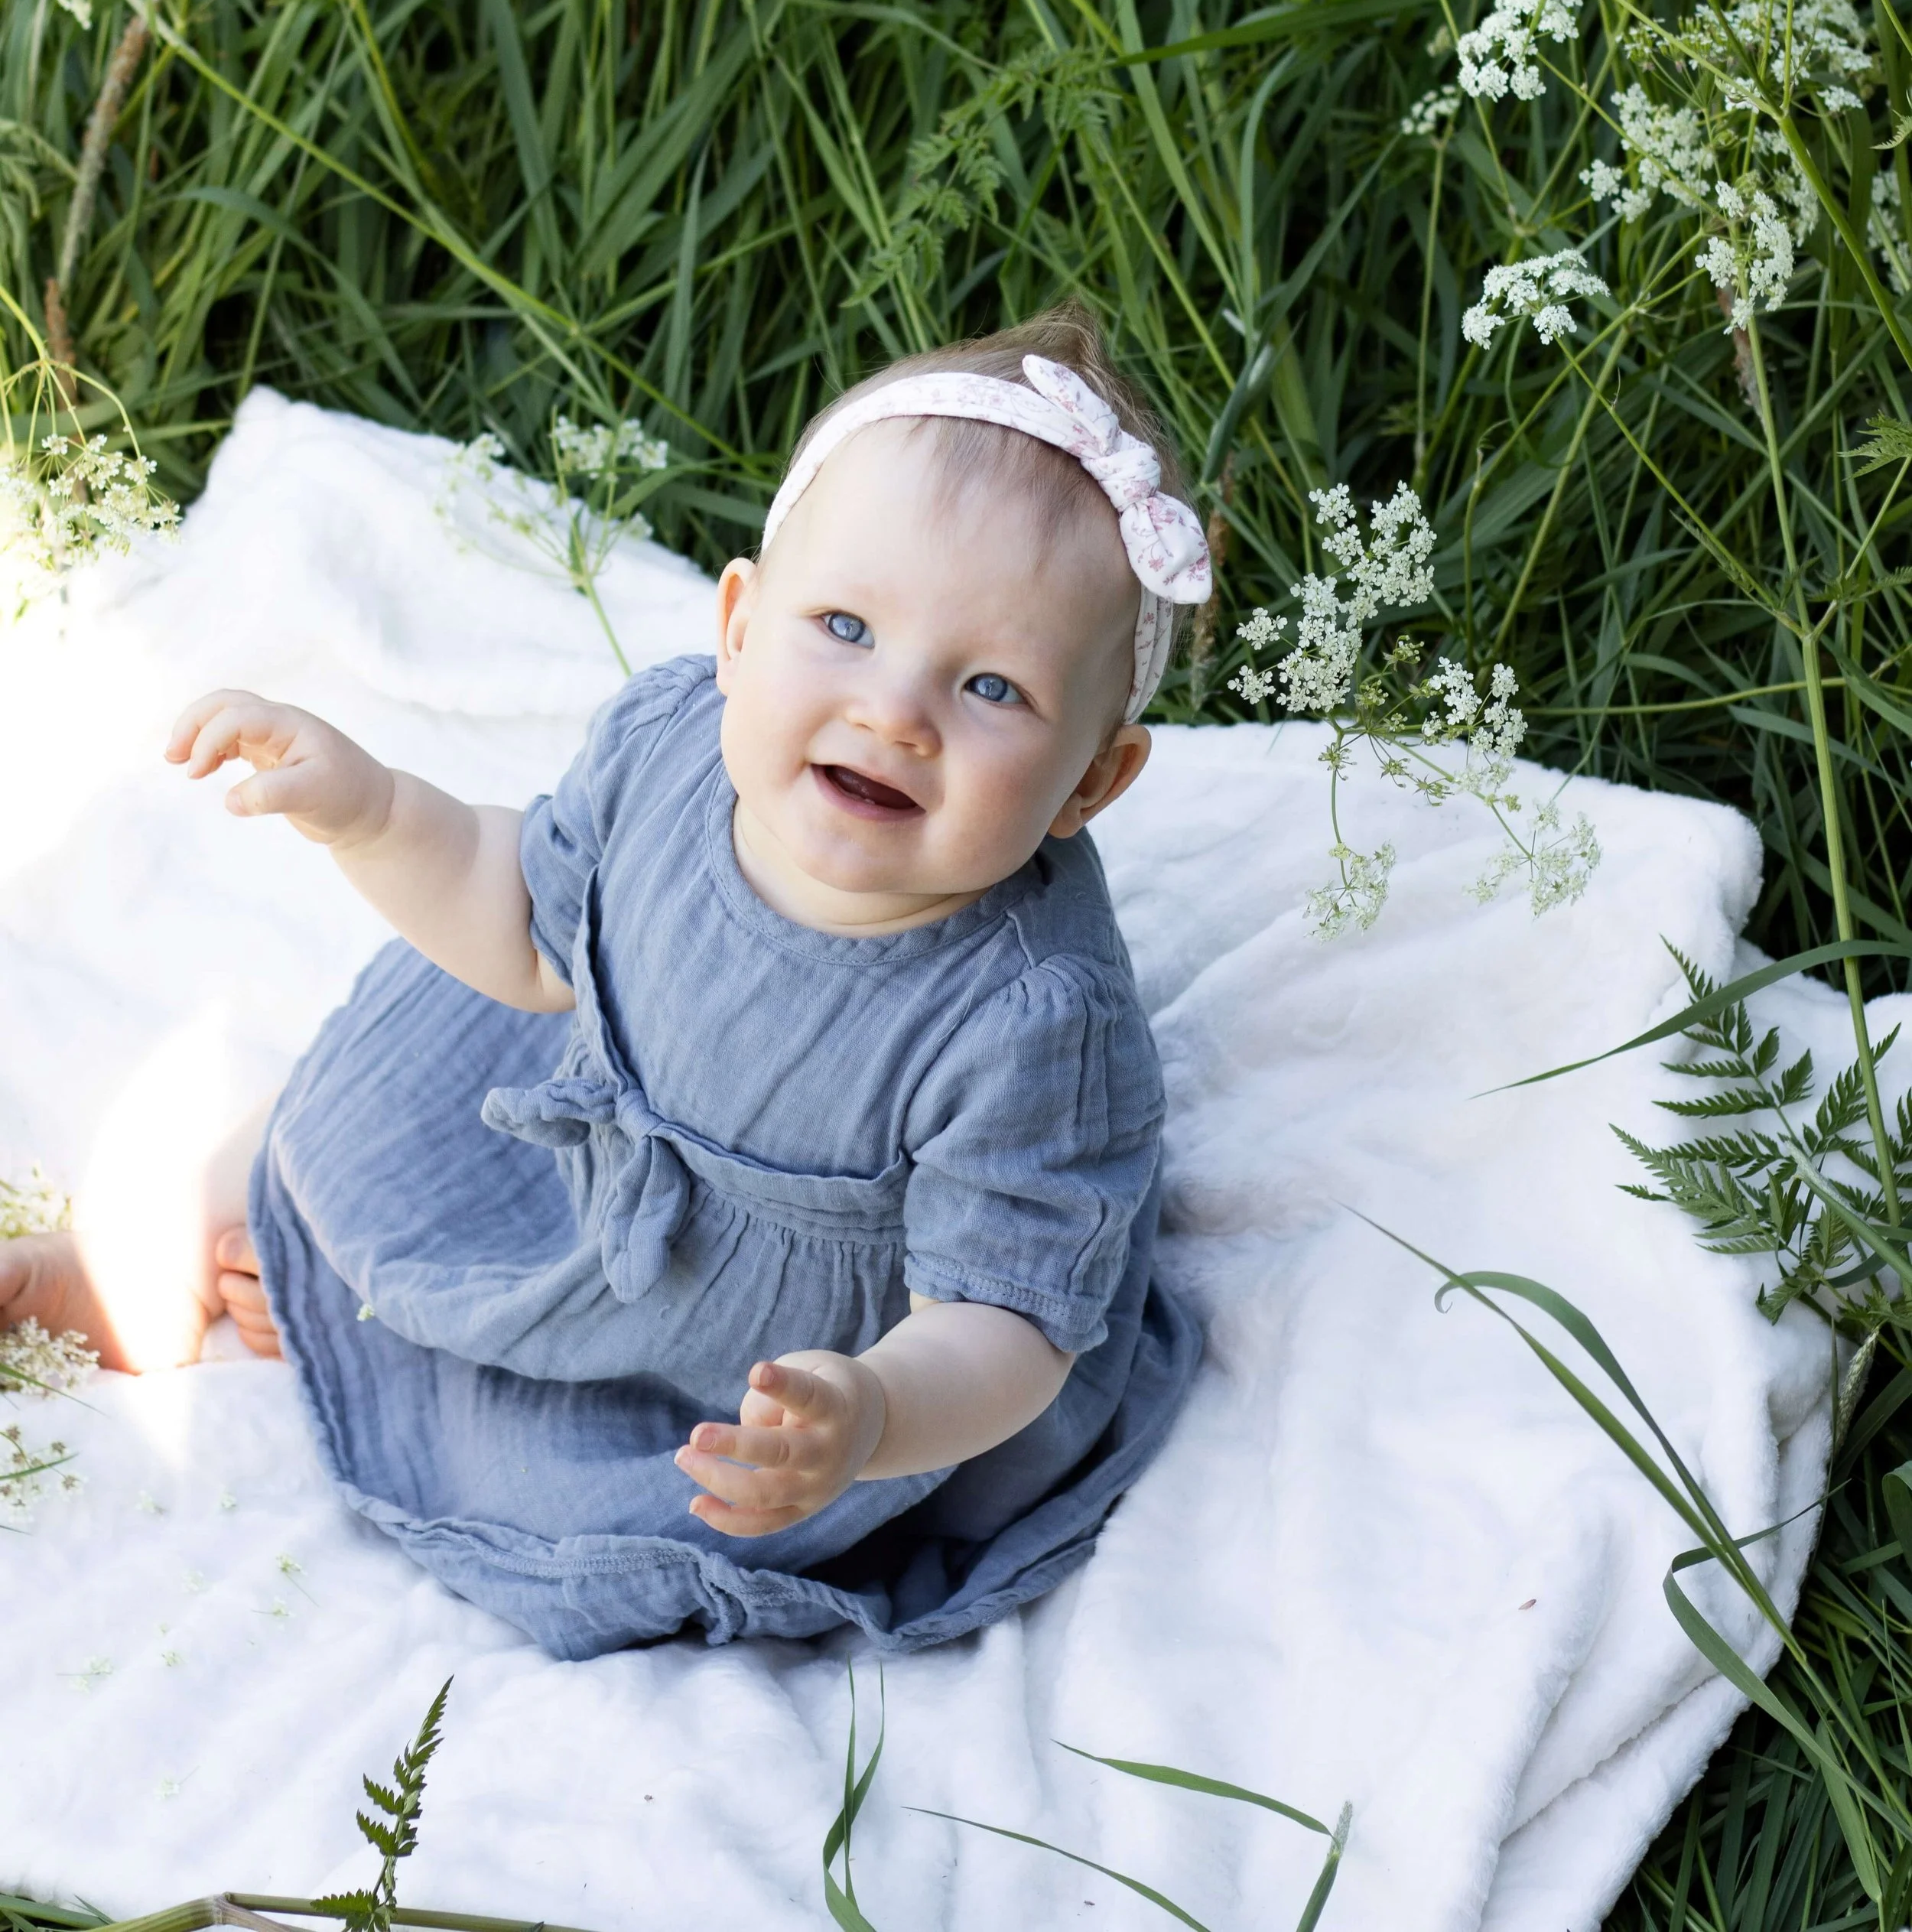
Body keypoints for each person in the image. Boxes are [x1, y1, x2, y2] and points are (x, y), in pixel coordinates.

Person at [1, 307, 1207, 1657]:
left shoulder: (1036, 1018)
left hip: (792, 1345)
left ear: (1092, 783)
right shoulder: (671, 744)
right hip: (578, 1114)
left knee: (605, 1492)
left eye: (992, 685)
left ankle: (360, 1328)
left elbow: (1007, 1322)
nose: (896, 710)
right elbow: (518, 918)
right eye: (847, 624)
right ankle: (165, 1258)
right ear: (741, 627)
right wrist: (369, 807)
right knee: (355, 1111)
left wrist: (868, 1412)